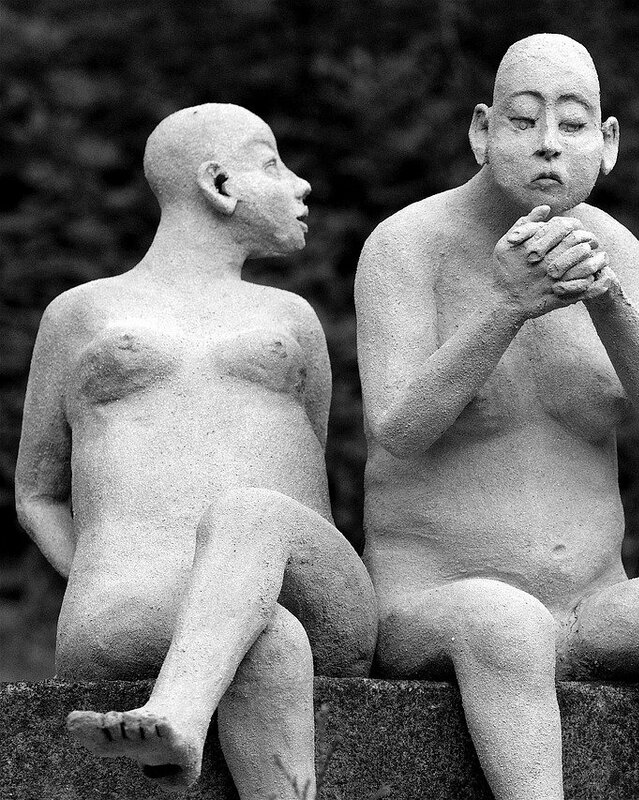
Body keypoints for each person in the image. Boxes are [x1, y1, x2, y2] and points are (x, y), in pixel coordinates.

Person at [355, 33, 639, 800]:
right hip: (440, 600)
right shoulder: (408, 246)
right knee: (507, 625)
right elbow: (398, 429)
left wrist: (608, 299)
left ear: (608, 143)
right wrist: (507, 307)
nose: (548, 144)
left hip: (590, 601)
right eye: (523, 119)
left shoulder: (620, 251)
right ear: (482, 130)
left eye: (572, 124)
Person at [15, 103, 377, 798]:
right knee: (268, 641)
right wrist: (98, 570)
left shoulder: (291, 319)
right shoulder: (79, 314)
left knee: (252, 515)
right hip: (134, 604)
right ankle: (191, 691)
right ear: (219, 184)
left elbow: (313, 466)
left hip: (314, 591)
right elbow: (36, 492)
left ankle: (178, 710)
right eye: (272, 164)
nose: (300, 184)